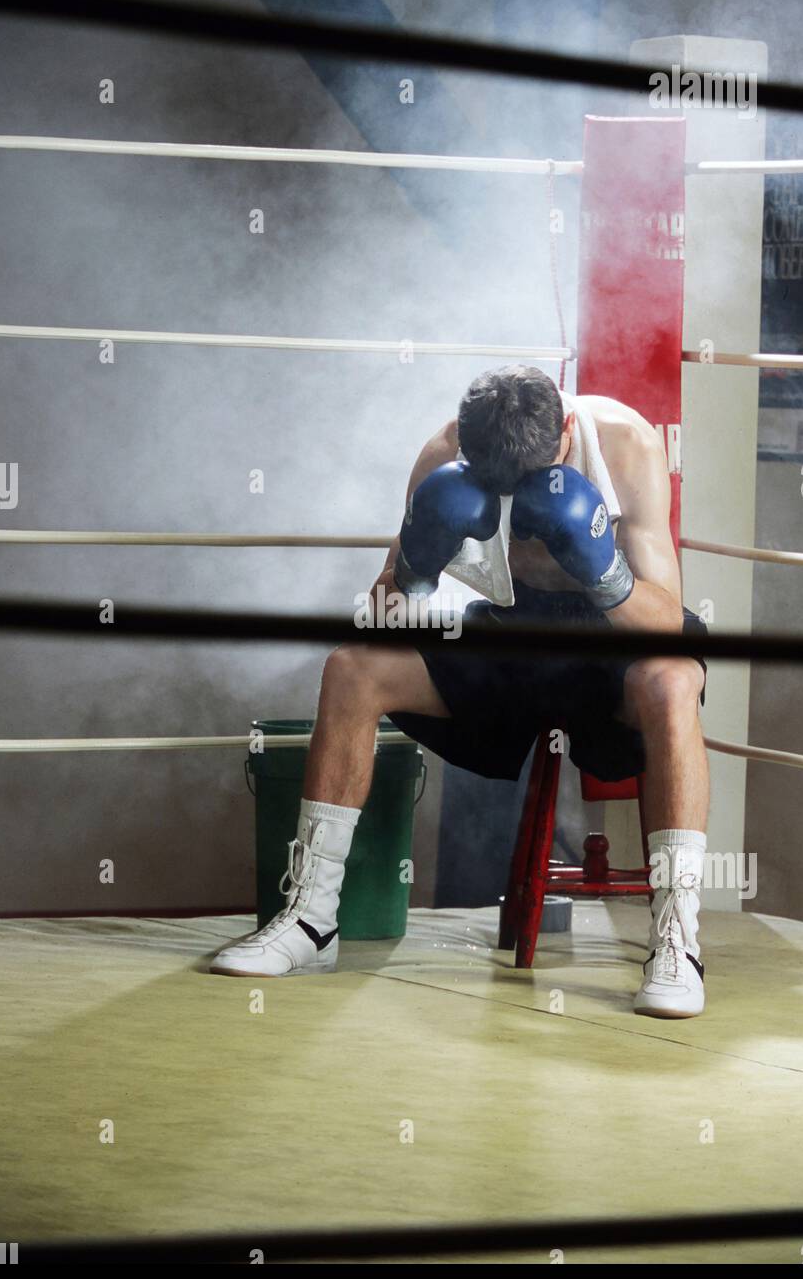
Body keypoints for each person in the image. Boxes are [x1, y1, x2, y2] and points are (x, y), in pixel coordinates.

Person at [211, 365, 709, 1019]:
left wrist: (603, 571)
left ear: (563, 430)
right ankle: (309, 921)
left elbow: (664, 616)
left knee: (672, 679)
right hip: (508, 637)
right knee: (352, 668)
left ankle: (677, 944)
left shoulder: (626, 445)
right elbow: (385, 608)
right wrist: (414, 566)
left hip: (610, 641)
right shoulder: (442, 457)